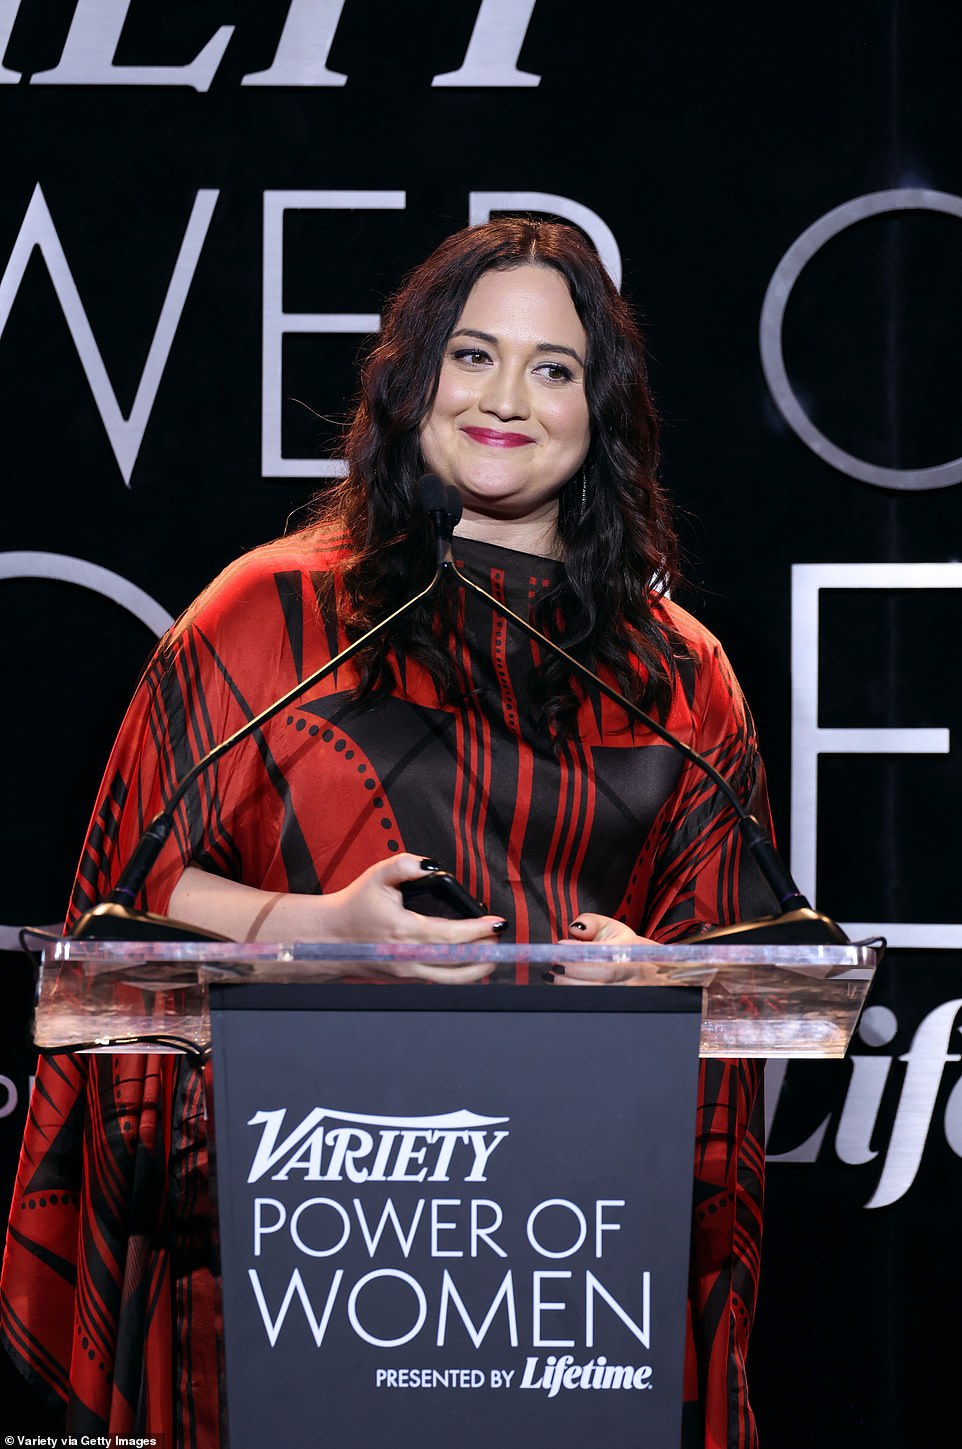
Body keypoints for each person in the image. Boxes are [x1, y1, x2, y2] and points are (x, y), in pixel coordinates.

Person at [2, 218, 775, 1448]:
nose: (506, 398)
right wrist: (312, 931)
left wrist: (650, 975)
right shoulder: (271, 615)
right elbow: (128, 896)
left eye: (553, 367)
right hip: (302, 1248)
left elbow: (748, 973)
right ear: (411, 379)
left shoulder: (678, 676)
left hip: (566, 1263)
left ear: (602, 410)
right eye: (472, 355)